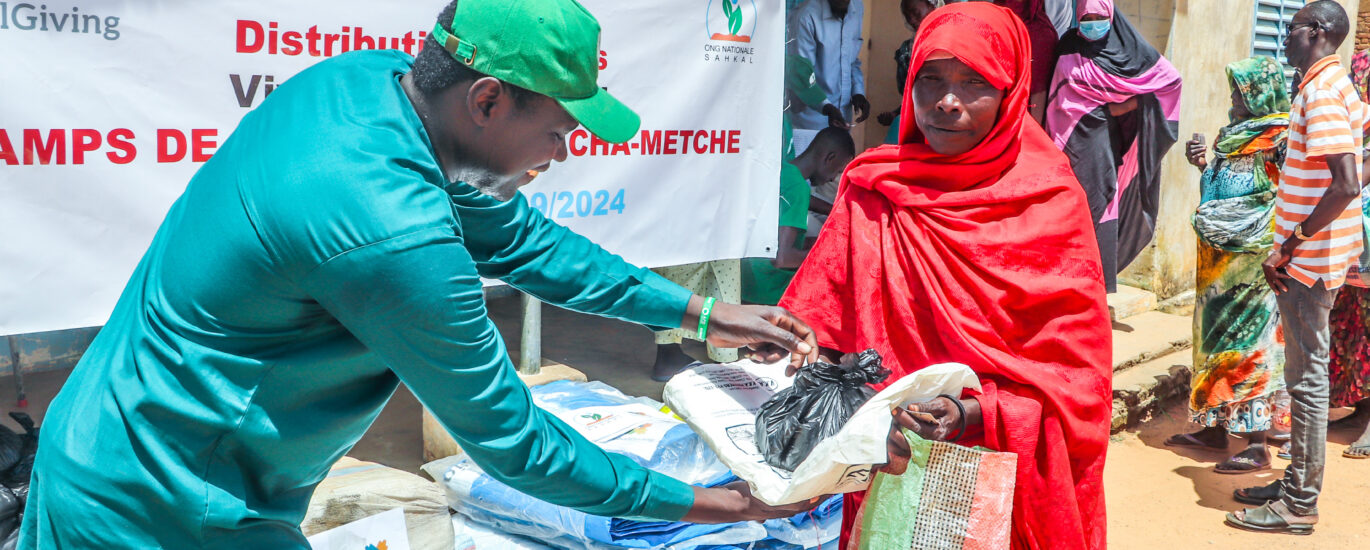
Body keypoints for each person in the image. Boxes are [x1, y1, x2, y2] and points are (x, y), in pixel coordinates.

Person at [16, 1, 825, 546]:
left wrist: (703, 315)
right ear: (485, 101)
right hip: (165, 506)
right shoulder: (392, 238)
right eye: (559, 129)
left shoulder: (365, 85)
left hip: (129, 445)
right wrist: (717, 504)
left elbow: (526, 245)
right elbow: (514, 444)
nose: (565, 153)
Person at [779, 4, 1111, 548]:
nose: (946, 101)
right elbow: (820, 329)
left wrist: (973, 413)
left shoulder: (1050, 205)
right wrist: (795, 355)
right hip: (885, 464)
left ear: (1012, 94)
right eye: (929, 80)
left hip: (997, 475)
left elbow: (1077, 387)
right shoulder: (874, 190)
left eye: (974, 83)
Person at [1227, 1, 1367, 535]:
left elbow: (1347, 182)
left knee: (1307, 383)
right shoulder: (1339, 86)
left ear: (1315, 32)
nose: (1283, 40)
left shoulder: (1321, 90)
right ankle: (1292, 487)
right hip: (1318, 257)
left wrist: (1290, 243)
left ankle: (1298, 505)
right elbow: (1362, 158)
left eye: (1290, 31)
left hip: (1307, 262)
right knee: (1304, 375)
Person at [1165, 56, 1291, 474]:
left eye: (1241, 91)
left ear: (1260, 93)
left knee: (1250, 345)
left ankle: (1256, 443)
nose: (1235, 98)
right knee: (1213, 343)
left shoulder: (1281, 138)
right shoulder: (1230, 135)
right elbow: (1218, 187)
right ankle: (1214, 429)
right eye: (1235, 91)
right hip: (1216, 265)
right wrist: (1203, 164)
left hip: (1253, 265)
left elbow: (1289, 195)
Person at [1045, 0, 1182, 293]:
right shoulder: (1069, 44)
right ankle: (1062, 287)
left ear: (1111, 15)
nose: (1092, 23)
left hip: (1100, 144)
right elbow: (1058, 95)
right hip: (1062, 140)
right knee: (1063, 209)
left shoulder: (1129, 49)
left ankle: (1092, 289)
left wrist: (1117, 108)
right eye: (1087, 17)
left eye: (1099, 16)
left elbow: (1169, 82)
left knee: (1098, 203)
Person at [742, 127, 855, 306]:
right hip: (768, 292)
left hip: (744, 281)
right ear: (830, 158)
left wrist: (835, 211)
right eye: (838, 170)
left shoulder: (780, 170)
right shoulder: (798, 188)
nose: (834, 179)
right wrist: (825, 254)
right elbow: (782, 257)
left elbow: (794, 198)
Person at [1324, 47, 1370, 460]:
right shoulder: (1355, 117)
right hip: (1354, 234)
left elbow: (1353, 175)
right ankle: (1354, 407)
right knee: (1349, 322)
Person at [789, 0, 870, 134]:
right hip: (811, 122)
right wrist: (826, 108)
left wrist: (858, 93)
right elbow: (801, 76)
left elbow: (852, 60)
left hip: (843, 116)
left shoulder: (857, 8)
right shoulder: (806, 16)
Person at [877, 0, 944, 145]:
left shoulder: (952, 43)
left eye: (915, 12)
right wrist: (896, 113)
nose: (912, 20)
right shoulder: (906, 52)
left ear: (932, 5)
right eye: (907, 15)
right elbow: (912, 96)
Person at [996, 1, 1059, 125]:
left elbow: (1039, 90)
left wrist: (1034, 131)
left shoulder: (1041, 32)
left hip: (1025, 121)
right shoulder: (993, 23)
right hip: (993, 119)